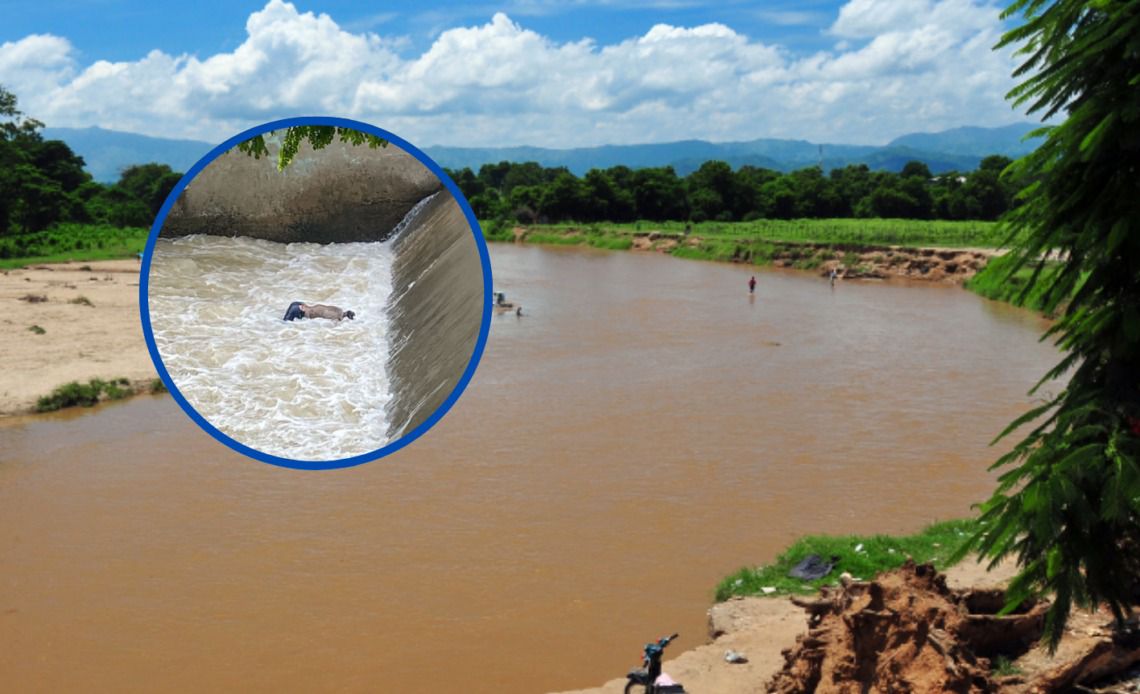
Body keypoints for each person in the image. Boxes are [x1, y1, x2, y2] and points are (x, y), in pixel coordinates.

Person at [283, 302, 355, 322]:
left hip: (306, 312)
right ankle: (344, 314)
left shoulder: (315, 311)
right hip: (302, 309)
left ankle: (343, 315)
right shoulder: (316, 309)